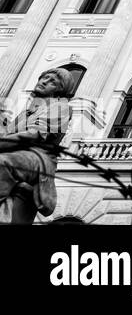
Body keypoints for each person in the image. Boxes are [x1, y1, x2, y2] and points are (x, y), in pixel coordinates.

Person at [0, 68, 75, 224]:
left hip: (39, 157)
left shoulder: (61, 106)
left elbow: (35, 135)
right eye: (44, 77)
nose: (45, 81)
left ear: (59, 90)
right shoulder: (28, 110)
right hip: (19, 153)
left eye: (52, 82)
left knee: (2, 162)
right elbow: (7, 134)